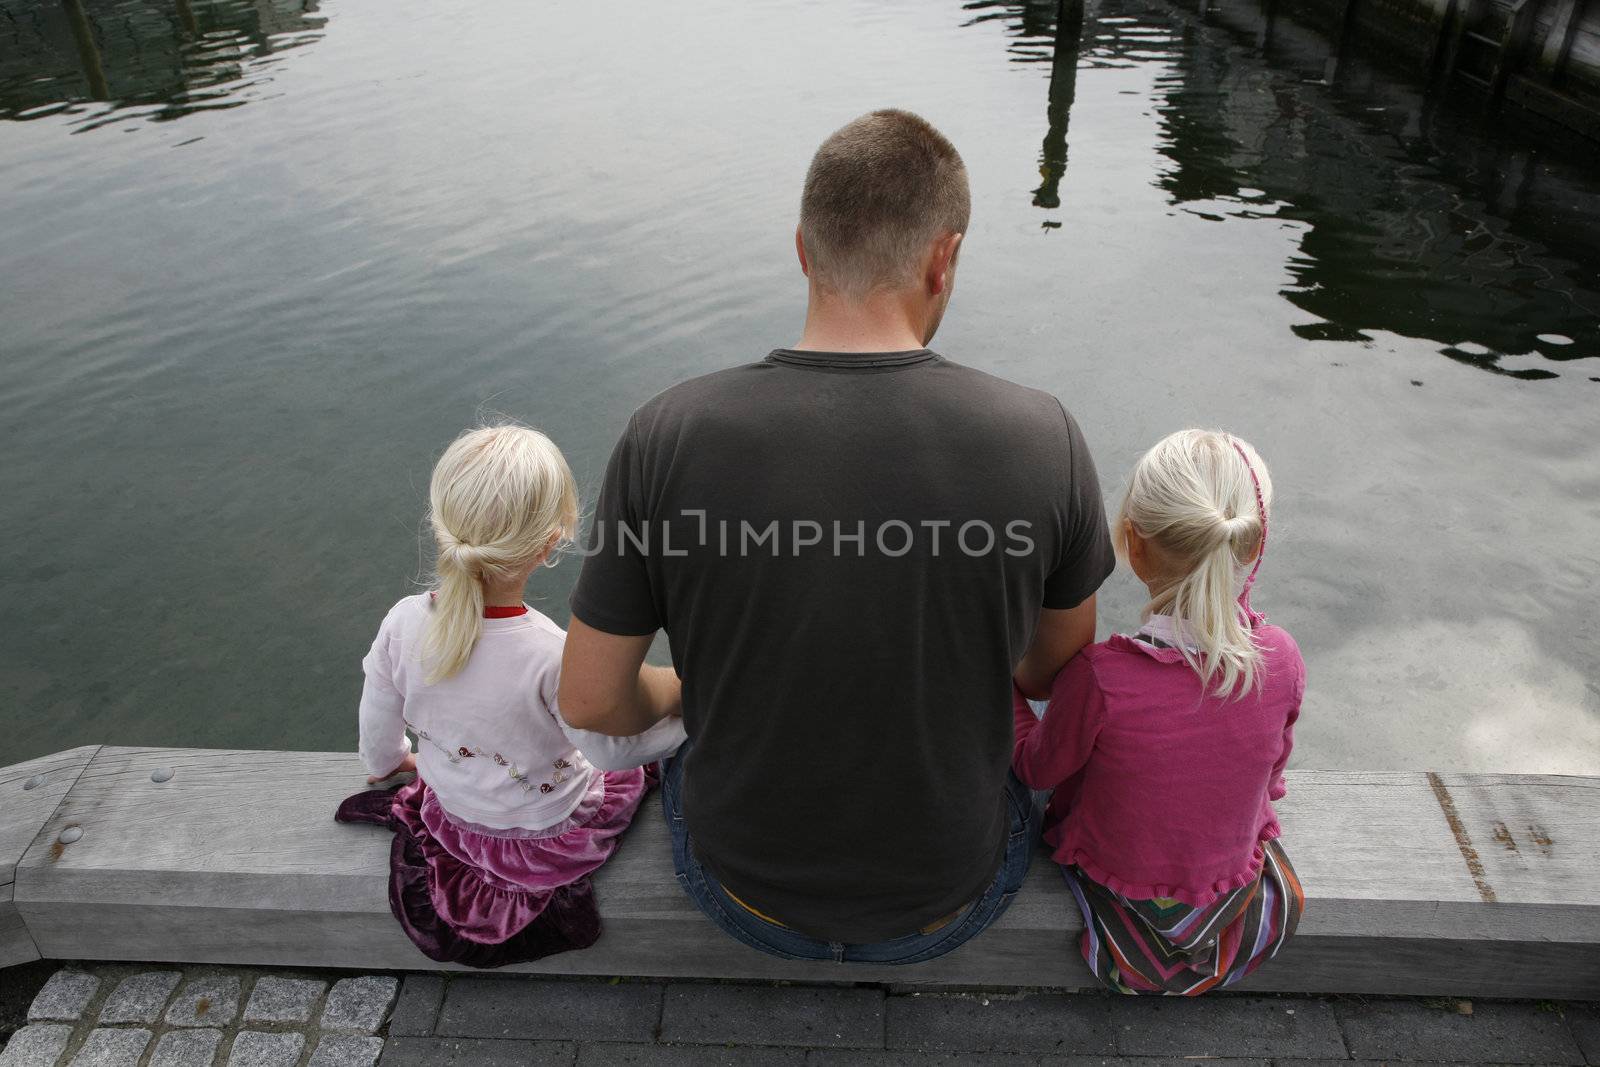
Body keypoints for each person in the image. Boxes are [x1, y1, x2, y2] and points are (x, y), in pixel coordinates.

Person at [558, 109, 1116, 962]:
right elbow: (1052, 668)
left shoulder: (666, 432)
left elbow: (592, 700)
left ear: (802, 249)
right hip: (949, 894)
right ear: (944, 258)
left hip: (740, 888)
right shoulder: (1044, 436)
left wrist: (689, 689)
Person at [336, 424, 684, 968]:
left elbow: (378, 719)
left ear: (440, 521)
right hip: (543, 833)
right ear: (550, 542)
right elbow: (611, 754)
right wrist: (682, 723)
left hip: (454, 815)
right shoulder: (551, 653)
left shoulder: (403, 620)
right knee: (636, 769)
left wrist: (388, 763)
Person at [1013, 429, 1305, 994]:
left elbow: (1035, 768)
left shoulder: (1101, 677)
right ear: (1251, 542)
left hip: (1120, 881)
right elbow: (1274, 771)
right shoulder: (1284, 658)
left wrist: (1007, 694)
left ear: (1134, 543)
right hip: (1226, 878)